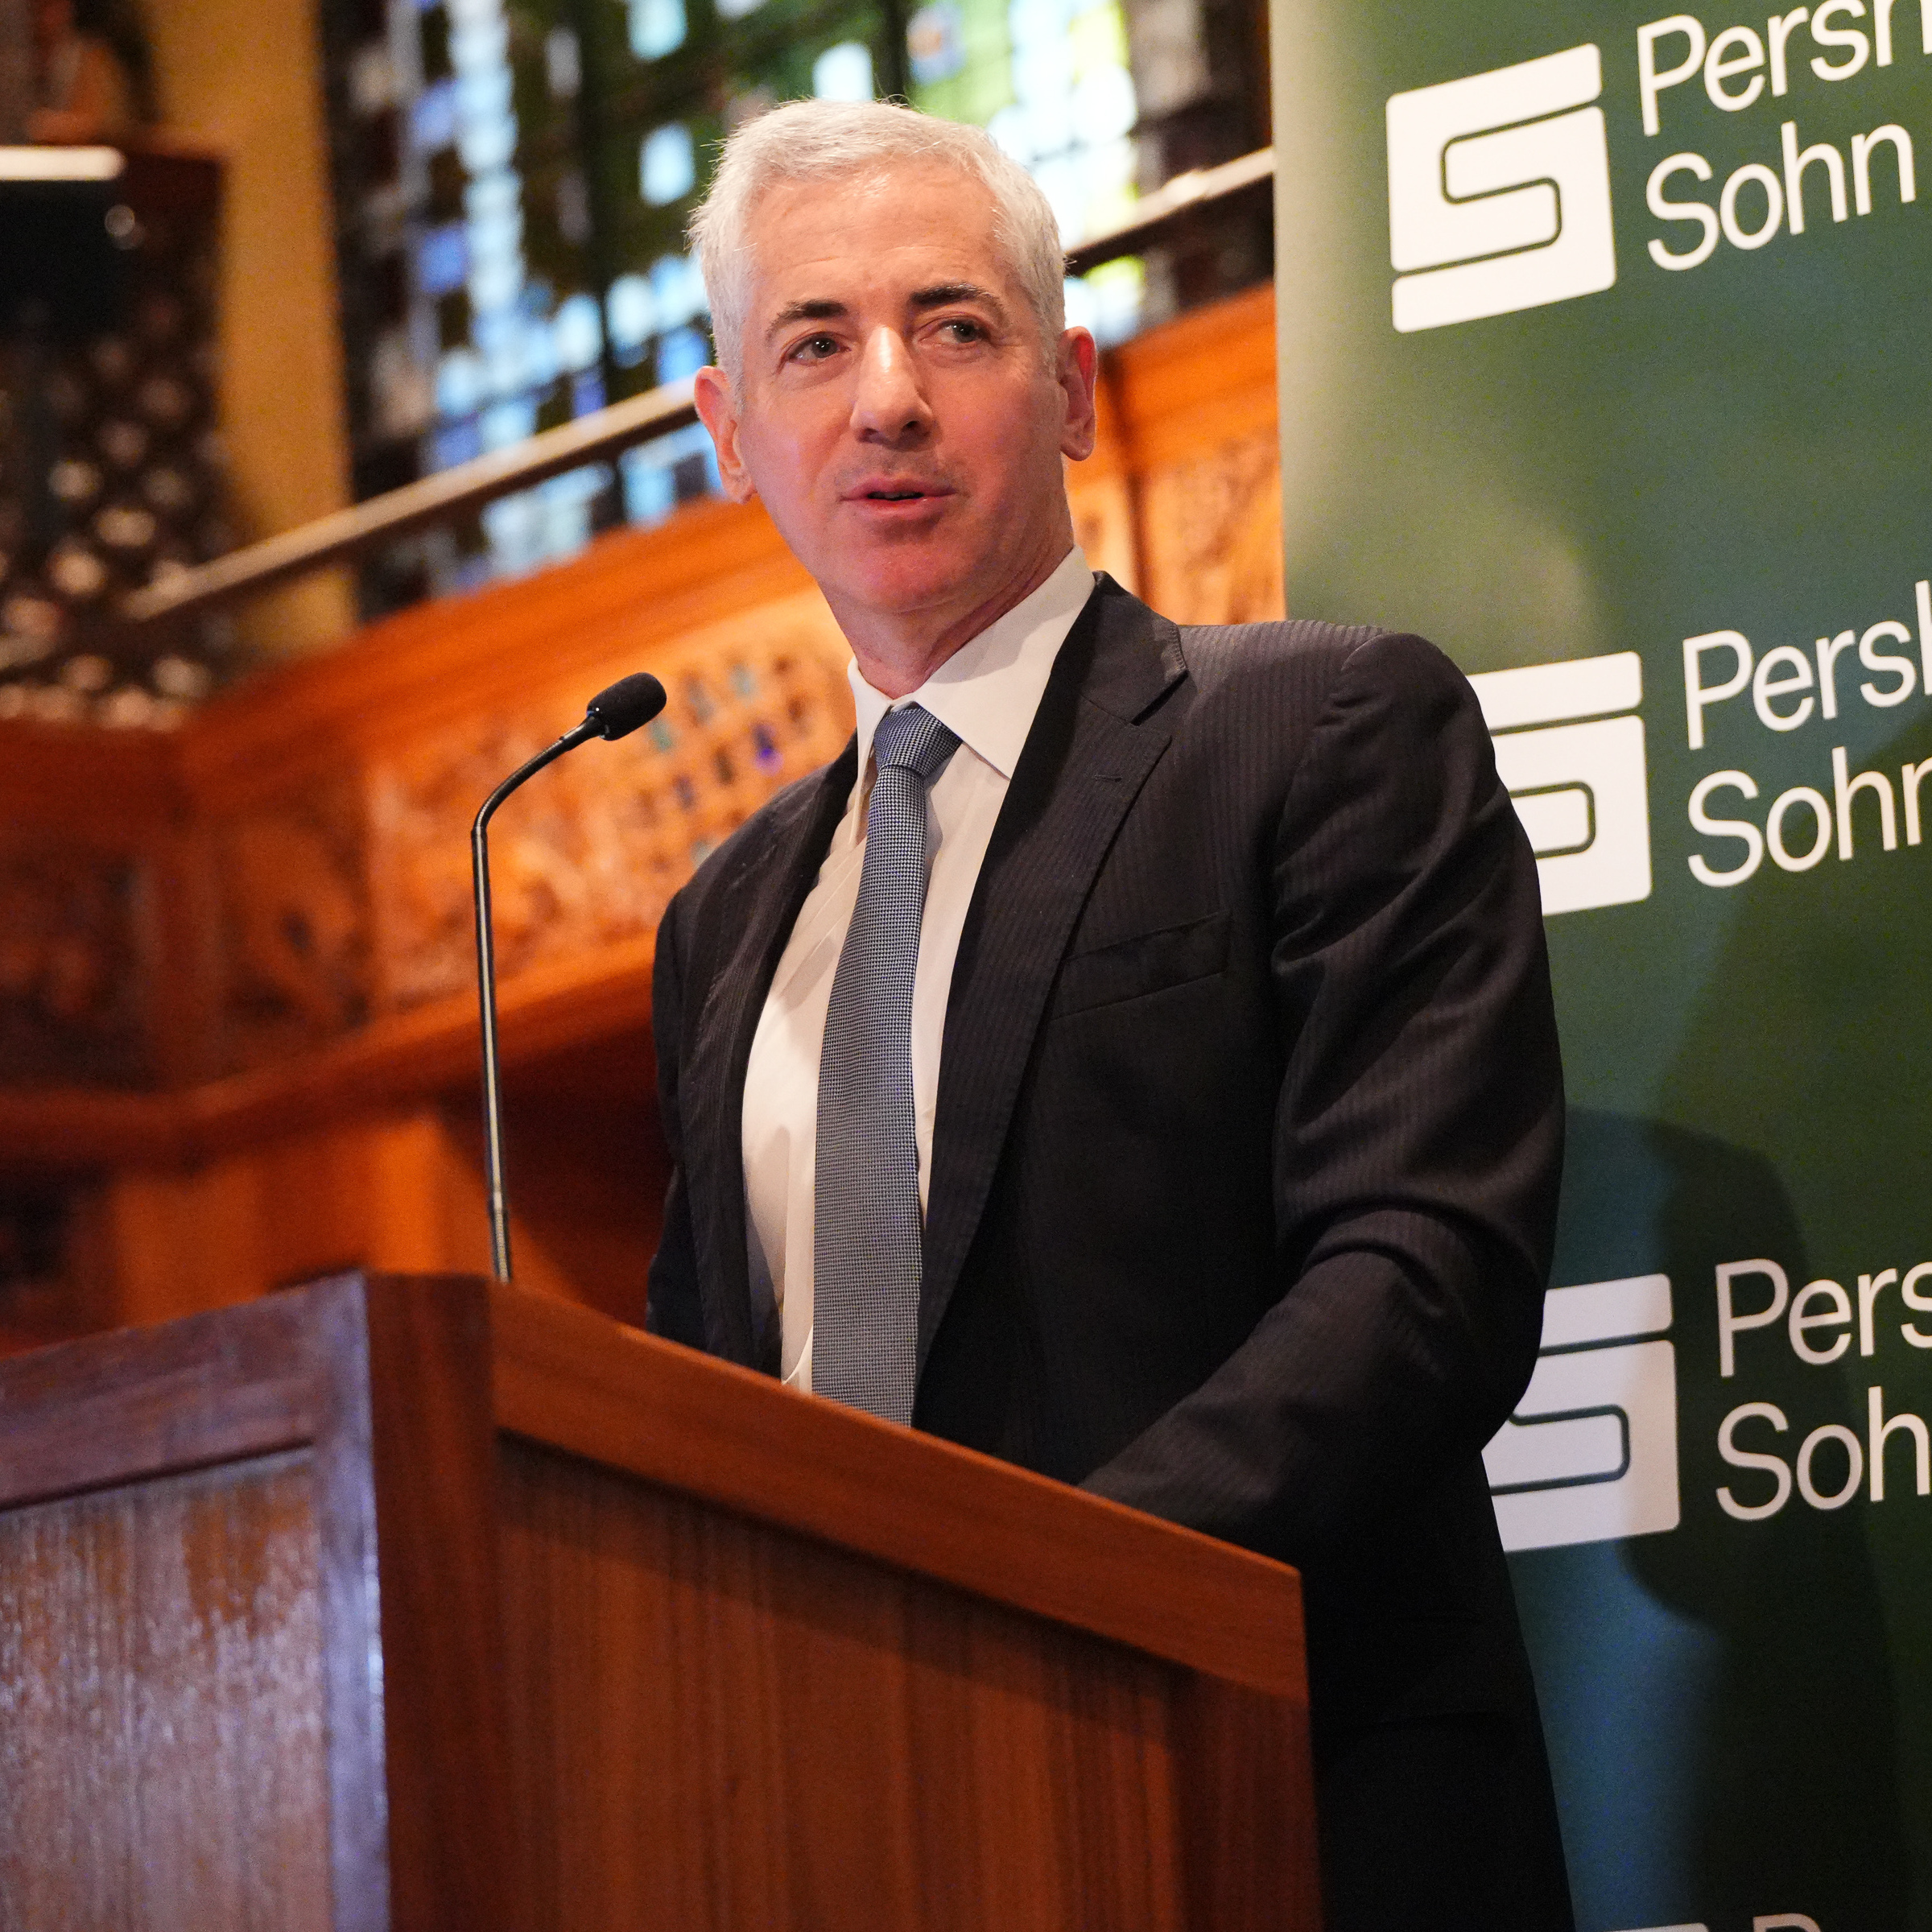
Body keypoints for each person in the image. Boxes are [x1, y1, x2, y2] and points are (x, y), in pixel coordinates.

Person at [646, 97, 1572, 1930]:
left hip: (1276, 1799)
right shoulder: (724, 920)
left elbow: (1421, 1278)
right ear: (731, 432)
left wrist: (1020, 1602)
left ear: (1069, 385)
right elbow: (705, 1406)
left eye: (955, 326)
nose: (886, 396)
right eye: (813, 344)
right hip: (841, 1833)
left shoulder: (1320, 735)